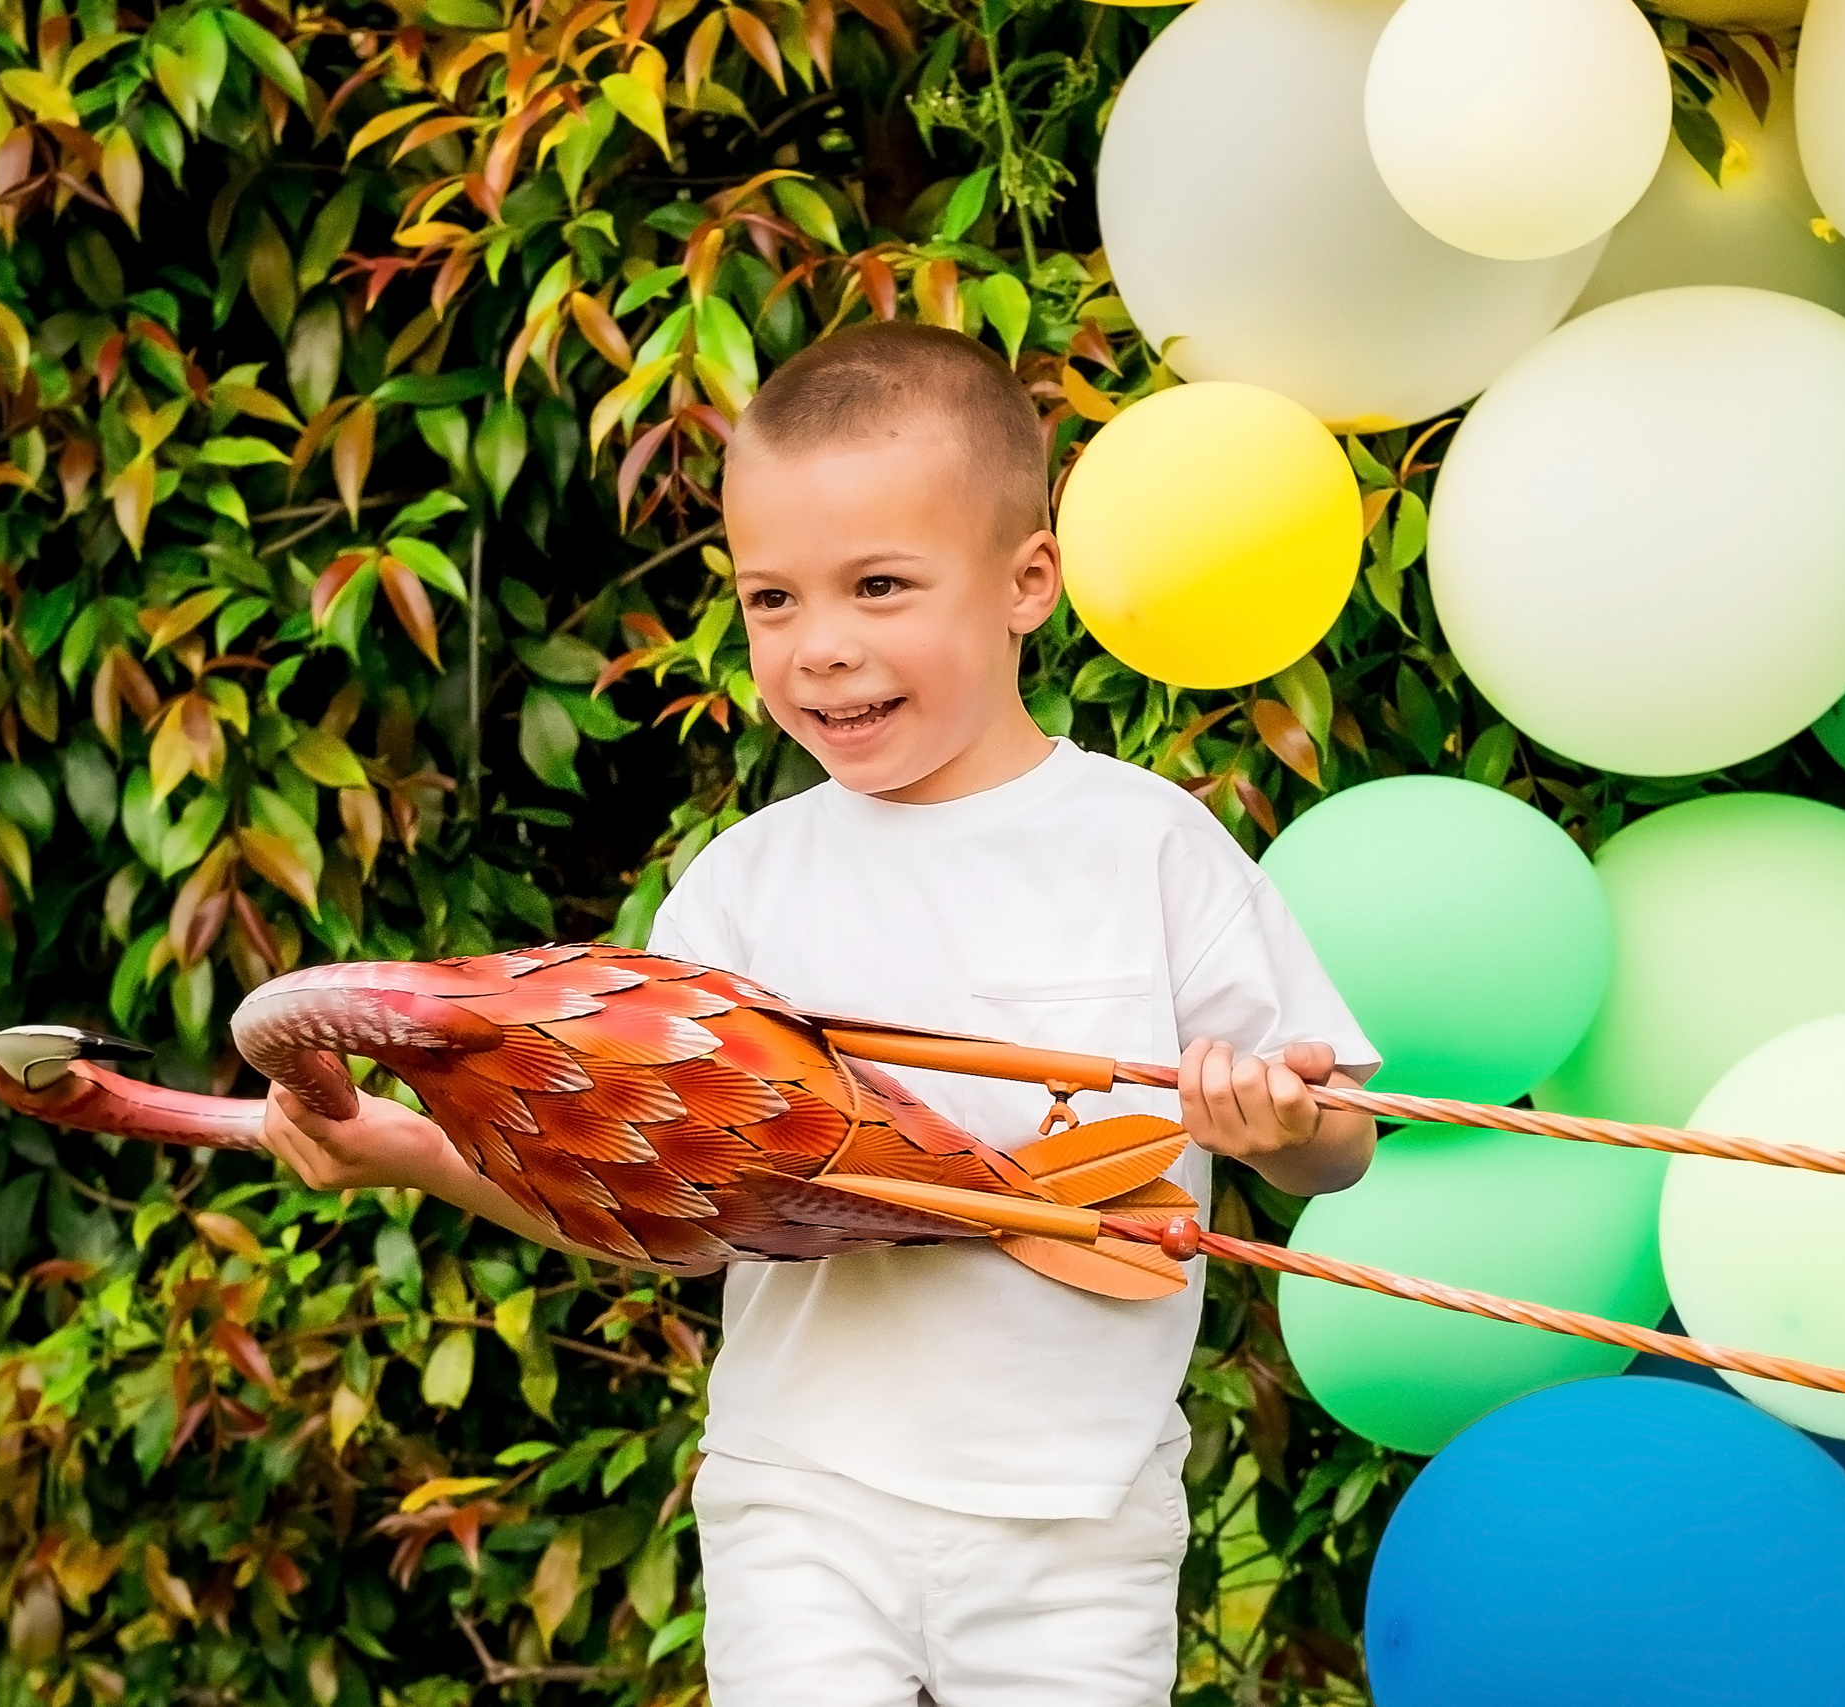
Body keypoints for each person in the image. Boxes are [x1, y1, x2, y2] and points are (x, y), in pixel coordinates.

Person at [258, 320, 1380, 1707]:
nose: (821, 650)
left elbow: (1340, 1143)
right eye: (773, 601)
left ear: (1028, 580)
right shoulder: (740, 890)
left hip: (1073, 1514)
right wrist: (419, 1153)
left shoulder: (1148, 846)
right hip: (800, 1495)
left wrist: (1277, 1127)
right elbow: (661, 1205)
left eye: (880, 587)